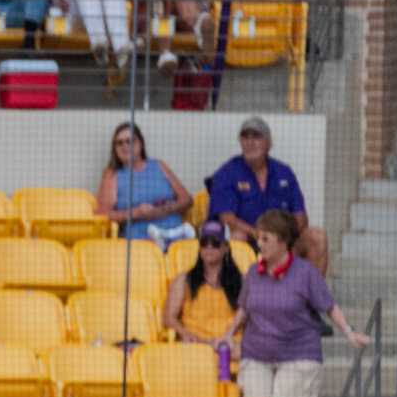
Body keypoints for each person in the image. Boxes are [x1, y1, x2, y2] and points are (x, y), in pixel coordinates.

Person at [224, 210, 370, 397]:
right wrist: (228, 334)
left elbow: (329, 306)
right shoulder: (254, 272)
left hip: (298, 351)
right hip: (258, 350)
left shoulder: (305, 273)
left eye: (265, 238)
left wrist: (349, 332)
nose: (259, 243)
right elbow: (243, 307)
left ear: (282, 242)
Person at [206, 117, 328, 272]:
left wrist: (282, 240)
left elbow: (301, 216)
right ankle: (243, 294)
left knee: (317, 236)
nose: (250, 142)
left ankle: (312, 294)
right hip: (250, 241)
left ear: (269, 143)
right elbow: (227, 218)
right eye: (245, 137)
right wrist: (261, 236)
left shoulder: (284, 172)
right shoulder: (227, 173)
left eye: (256, 136)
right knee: (237, 237)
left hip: (283, 242)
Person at [96, 123, 194, 244]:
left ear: (140, 144)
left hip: (176, 232)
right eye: (119, 143)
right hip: (141, 239)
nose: (125, 146)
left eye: (129, 141)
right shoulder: (112, 174)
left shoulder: (159, 165)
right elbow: (102, 214)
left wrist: (166, 209)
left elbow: (187, 200)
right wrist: (136, 213)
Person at [163, 219, 242, 351]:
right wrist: (184, 333)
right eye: (204, 243)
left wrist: (227, 338)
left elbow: (251, 314)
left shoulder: (242, 281)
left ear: (226, 247)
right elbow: (169, 317)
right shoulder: (183, 280)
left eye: (215, 243)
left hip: (231, 343)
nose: (209, 247)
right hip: (196, 345)